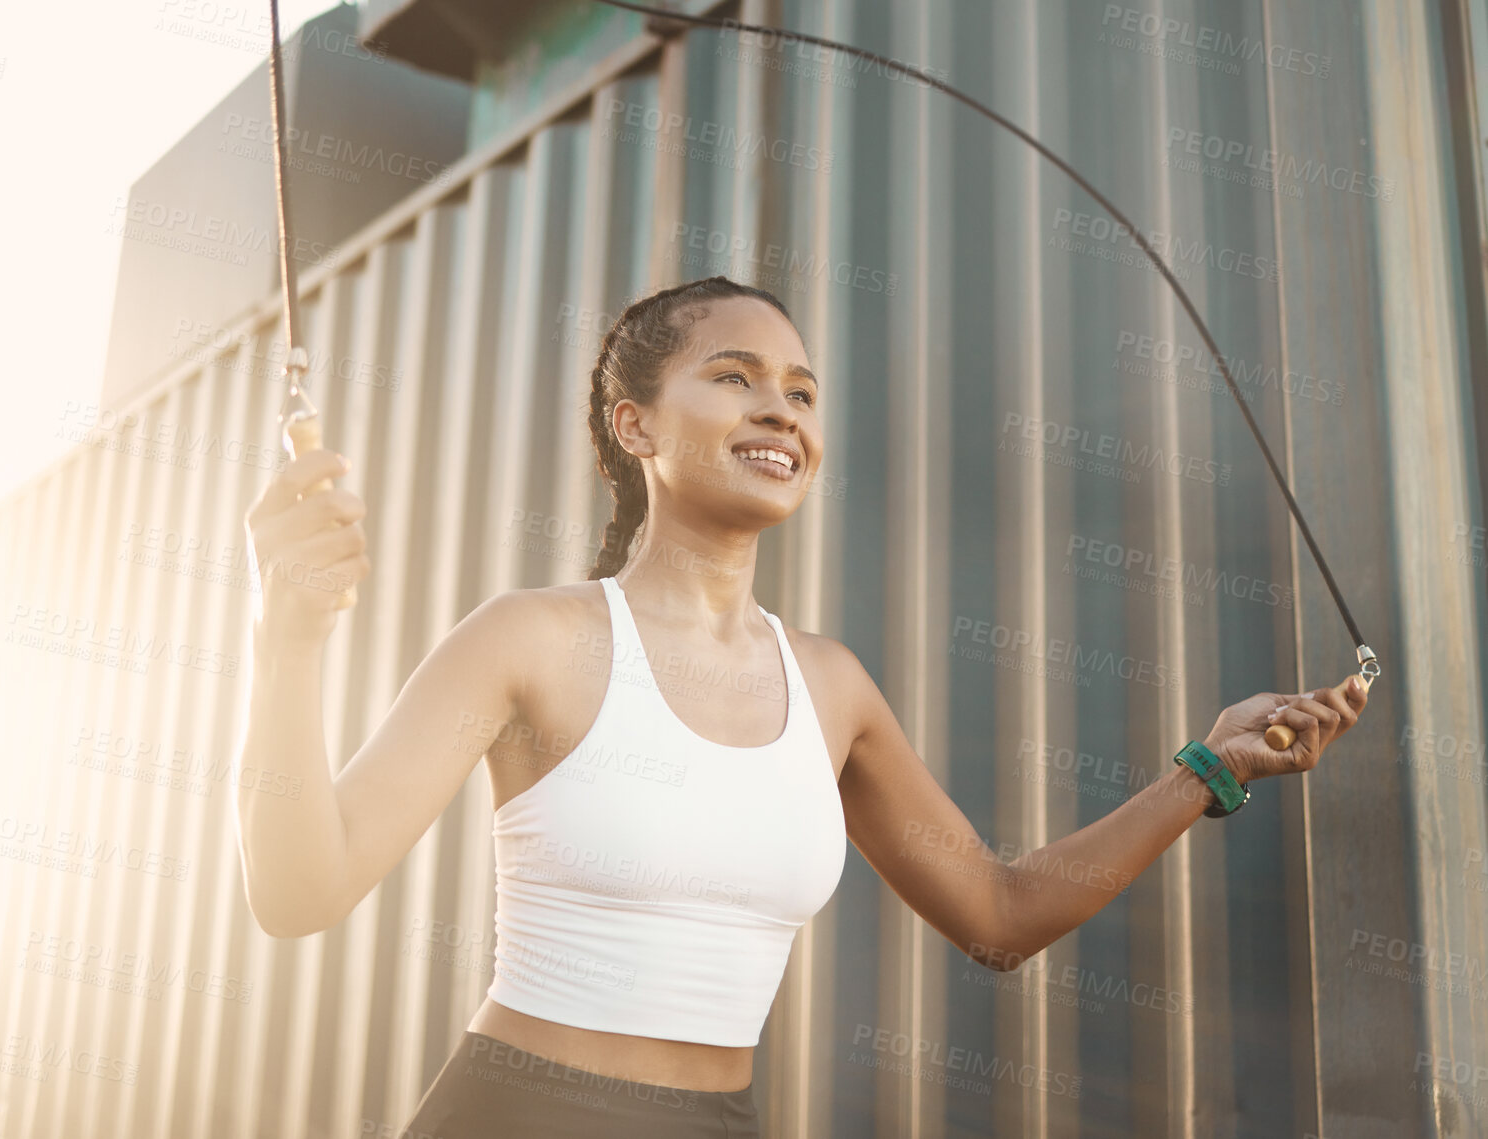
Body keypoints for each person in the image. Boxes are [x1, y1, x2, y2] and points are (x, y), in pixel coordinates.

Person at [233, 275, 1368, 1137]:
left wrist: (1204, 772)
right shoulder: (529, 638)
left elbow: (1000, 914)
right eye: (734, 377)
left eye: (802, 392)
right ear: (636, 428)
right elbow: (300, 890)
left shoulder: (832, 687)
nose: (780, 410)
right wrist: (286, 637)